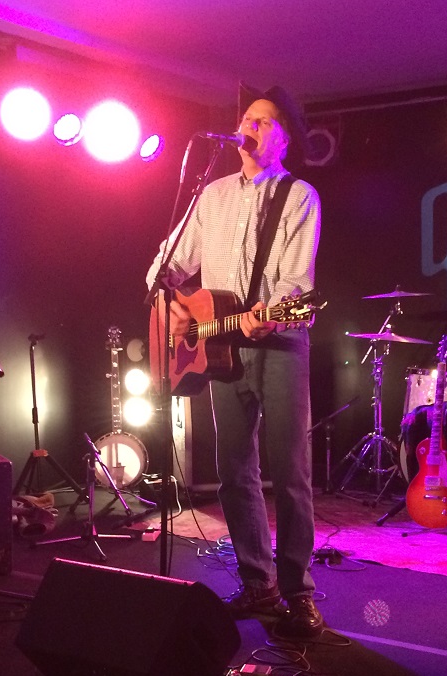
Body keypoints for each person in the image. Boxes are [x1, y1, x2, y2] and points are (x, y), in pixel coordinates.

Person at [146, 85, 323, 638]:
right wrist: (174, 308)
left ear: (284, 138)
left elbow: (296, 286)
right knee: (233, 471)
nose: (250, 128)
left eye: (264, 122)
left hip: (281, 343)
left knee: (289, 472)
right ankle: (257, 580)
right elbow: (165, 266)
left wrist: (267, 315)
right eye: (246, 119)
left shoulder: (298, 197)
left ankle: (297, 591)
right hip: (221, 349)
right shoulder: (212, 193)